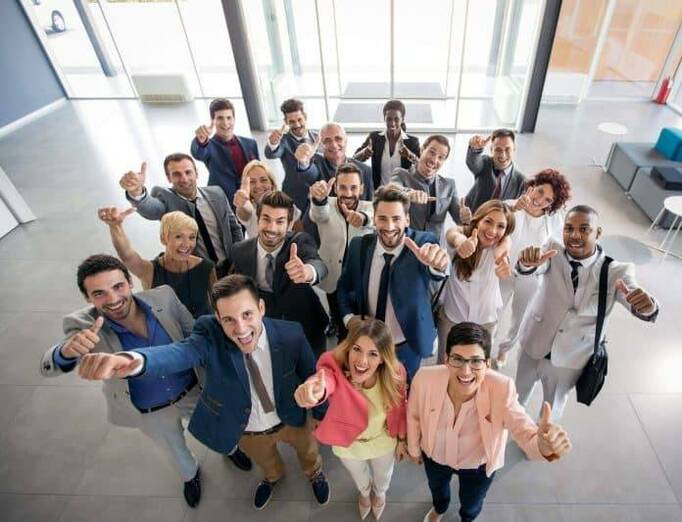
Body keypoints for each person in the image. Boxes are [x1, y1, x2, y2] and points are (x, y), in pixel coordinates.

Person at [76, 274, 331, 511]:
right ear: (218, 318)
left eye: (247, 314)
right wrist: (133, 360)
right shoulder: (209, 335)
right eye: (228, 319)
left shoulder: (290, 334)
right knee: (266, 461)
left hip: (293, 419)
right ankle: (273, 476)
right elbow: (179, 353)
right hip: (247, 428)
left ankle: (314, 473)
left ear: (261, 308)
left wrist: (320, 412)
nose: (241, 329)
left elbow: (312, 375)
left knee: (309, 453)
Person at [39, 255, 252, 509]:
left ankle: (231, 450)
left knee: (218, 427)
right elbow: (50, 366)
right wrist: (65, 353)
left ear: (130, 282)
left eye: (118, 286)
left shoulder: (164, 297)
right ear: (87, 298)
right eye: (99, 293)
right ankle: (191, 475)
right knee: (174, 448)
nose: (113, 299)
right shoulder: (82, 325)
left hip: (192, 390)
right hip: (149, 409)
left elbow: (193, 333)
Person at [407, 322, 572, 522]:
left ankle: (467, 518)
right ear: (446, 359)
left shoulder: (502, 388)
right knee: (437, 489)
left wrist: (542, 445)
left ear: (487, 364)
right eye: (458, 359)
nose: (465, 371)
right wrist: (414, 449)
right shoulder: (424, 379)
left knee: (472, 502)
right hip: (435, 457)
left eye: (475, 361)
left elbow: (523, 429)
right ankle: (440, 508)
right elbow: (414, 415)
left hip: (478, 466)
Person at [514, 205, 659, 421]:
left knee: (550, 412)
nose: (574, 235)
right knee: (515, 398)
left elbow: (634, 297)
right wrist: (526, 263)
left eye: (584, 229)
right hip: (534, 341)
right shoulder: (552, 249)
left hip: (571, 357)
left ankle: (540, 438)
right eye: (569, 228)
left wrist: (647, 306)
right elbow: (533, 267)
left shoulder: (617, 271)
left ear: (598, 233)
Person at [295, 319, 407, 520]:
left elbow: (400, 408)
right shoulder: (335, 368)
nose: (362, 361)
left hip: (383, 441)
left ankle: (379, 494)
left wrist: (401, 439)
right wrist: (316, 389)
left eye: (373, 354)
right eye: (357, 349)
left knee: (383, 476)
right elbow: (326, 379)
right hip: (348, 445)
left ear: (383, 359)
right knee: (359, 476)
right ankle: (364, 493)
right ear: (348, 348)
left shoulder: (396, 374)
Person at [337, 184, 450, 379]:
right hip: (368, 345)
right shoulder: (358, 246)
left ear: (407, 219)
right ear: (374, 219)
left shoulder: (422, 242)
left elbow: (435, 263)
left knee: (405, 390)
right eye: (382, 218)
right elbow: (343, 288)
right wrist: (349, 319)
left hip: (407, 346)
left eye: (396, 218)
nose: (389, 227)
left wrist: (437, 264)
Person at [230, 191, 330, 356]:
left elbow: (320, 265)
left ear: (289, 225)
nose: (272, 228)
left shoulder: (300, 242)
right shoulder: (240, 251)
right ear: (258, 219)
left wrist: (307, 272)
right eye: (266, 219)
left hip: (306, 328)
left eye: (280, 221)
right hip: (265, 330)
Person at [120, 153, 243, 277]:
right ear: (169, 178)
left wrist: (238, 257)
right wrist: (137, 192)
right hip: (197, 275)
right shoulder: (165, 197)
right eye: (176, 174)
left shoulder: (216, 193)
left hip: (231, 267)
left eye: (188, 172)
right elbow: (151, 208)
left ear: (196, 173)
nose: (184, 179)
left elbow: (234, 228)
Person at [495, 169, 571, 367]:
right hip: (503, 271)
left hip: (529, 278)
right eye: (540, 192)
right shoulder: (509, 205)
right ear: (532, 186)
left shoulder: (554, 221)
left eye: (548, 200)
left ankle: (504, 349)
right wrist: (513, 209)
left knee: (519, 318)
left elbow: (558, 251)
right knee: (494, 312)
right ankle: (485, 346)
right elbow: (494, 227)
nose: (540, 200)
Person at [97, 208, 216, 318]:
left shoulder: (206, 267)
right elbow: (127, 256)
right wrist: (115, 226)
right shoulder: (149, 270)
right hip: (170, 332)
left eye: (191, 237)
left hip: (205, 331)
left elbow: (219, 304)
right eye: (178, 236)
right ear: (163, 238)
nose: (186, 244)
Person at [437, 201, 516, 363]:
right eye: (488, 221)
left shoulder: (500, 247)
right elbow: (452, 234)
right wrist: (461, 243)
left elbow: (506, 242)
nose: (493, 231)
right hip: (452, 319)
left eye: (500, 226)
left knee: (478, 367)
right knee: (446, 364)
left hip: (485, 322)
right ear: (478, 220)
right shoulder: (461, 237)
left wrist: (503, 257)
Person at [308, 163, 374, 340]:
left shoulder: (369, 207)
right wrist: (319, 200)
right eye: (343, 187)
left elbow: (374, 219)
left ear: (361, 188)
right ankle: (338, 330)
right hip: (333, 276)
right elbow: (318, 214)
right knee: (339, 317)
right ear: (335, 188)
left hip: (359, 278)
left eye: (353, 187)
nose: (348, 193)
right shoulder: (326, 204)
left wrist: (364, 219)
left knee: (361, 321)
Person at [390, 134, 462, 242]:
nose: (434, 160)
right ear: (422, 150)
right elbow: (391, 190)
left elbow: (460, 219)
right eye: (432, 152)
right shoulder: (401, 174)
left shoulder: (449, 185)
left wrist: (465, 216)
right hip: (407, 246)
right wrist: (408, 193)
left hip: (436, 248)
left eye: (440, 157)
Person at [191, 97, 260, 202]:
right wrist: (200, 141)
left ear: (234, 119)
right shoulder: (208, 146)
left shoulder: (250, 143)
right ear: (213, 120)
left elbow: (259, 170)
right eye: (220, 118)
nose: (225, 123)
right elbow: (198, 153)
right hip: (224, 201)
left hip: (251, 198)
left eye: (229, 118)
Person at [295, 122, 374, 204]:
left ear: (346, 141)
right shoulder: (315, 163)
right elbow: (308, 173)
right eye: (327, 141)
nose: (334, 145)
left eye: (338, 139)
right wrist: (304, 163)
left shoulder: (366, 171)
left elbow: (371, 205)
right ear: (321, 145)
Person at [264, 98, 319, 212]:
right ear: (286, 122)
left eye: (299, 119)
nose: (297, 125)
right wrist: (273, 143)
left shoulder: (318, 137)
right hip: (294, 196)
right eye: (292, 122)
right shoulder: (283, 141)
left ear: (305, 117)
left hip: (319, 194)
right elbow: (271, 154)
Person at [353, 99, 421, 188]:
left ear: (402, 119)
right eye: (389, 119)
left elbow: (422, 167)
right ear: (384, 118)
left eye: (396, 119)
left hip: (403, 193)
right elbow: (353, 160)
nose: (392, 123)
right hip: (379, 192)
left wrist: (410, 155)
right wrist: (364, 152)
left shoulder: (412, 141)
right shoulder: (374, 138)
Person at [232, 159, 302, 238]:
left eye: (263, 180)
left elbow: (301, 235)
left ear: (272, 183)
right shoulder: (250, 209)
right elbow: (244, 211)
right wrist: (243, 204)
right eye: (252, 182)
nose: (258, 186)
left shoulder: (287, 204)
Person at [463, 129, 526, 213]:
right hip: (473, 215)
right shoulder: (485, 163)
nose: (503, 155)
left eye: (507, 149)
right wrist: (475, 150)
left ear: (514, 149)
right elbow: (473, 163)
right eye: (498, 150)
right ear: (491, 150)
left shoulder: (521, 181)